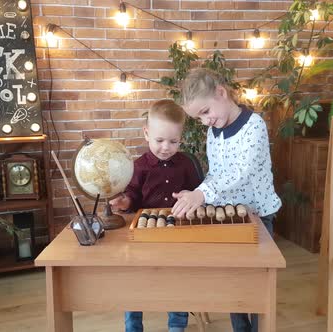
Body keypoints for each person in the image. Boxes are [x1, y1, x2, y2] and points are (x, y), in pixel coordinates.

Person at [170, 68, 282, 332]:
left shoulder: (254, 126)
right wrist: (197, 191)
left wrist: (202, 193)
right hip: (230, 217)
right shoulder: (214, 131)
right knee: (236, 285)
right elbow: (217, 173)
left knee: (256, 288)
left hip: (257, 217)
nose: (205, 121)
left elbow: (240, 171)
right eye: (199, 117)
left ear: (221, 93)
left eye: (206, 112)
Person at [110, 99, 201, 332]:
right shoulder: (139, 166)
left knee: (177, 282)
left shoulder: (186, 165)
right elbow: (132, 196)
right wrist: (125, 202)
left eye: (174, 141)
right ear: (146, 133)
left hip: (178, 235)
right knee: (134, 283)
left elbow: (198, 192)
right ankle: (133, 327)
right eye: (159, 140)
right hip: (144, 237)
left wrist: (193, 196)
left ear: (182, 137)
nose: (166, 147)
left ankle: (177, 326)